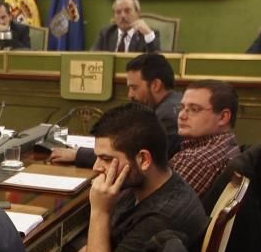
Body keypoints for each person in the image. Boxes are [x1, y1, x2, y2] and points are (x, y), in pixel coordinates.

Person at [36, 103, 207, 252]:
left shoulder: (161, 218)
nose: (97, 167)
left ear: (144, 160)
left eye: (106, 159)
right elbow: (91, 251)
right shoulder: (149, 186)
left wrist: (100, 211)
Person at [50, 52, 182, 167]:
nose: (129, 95)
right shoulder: (168, 106)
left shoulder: (167, 117)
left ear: (155, 85)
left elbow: (135, 158)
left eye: (134, 88)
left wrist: (77, 155)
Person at [170, 80, 241, 196]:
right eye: (181, 107)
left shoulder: (196, 161)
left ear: (223, 117)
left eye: (194, 109)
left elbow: (161, 208)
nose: (182, 116)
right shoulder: (227, 143)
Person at [90, 0, 160, 53]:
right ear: (114, 16)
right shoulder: (106, 33)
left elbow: (156, 61)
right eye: (118, 12)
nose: (123, 15)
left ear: (138, 13)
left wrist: (148, 34)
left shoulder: (147, 34)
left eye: (127, 11)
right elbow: (93, 57)